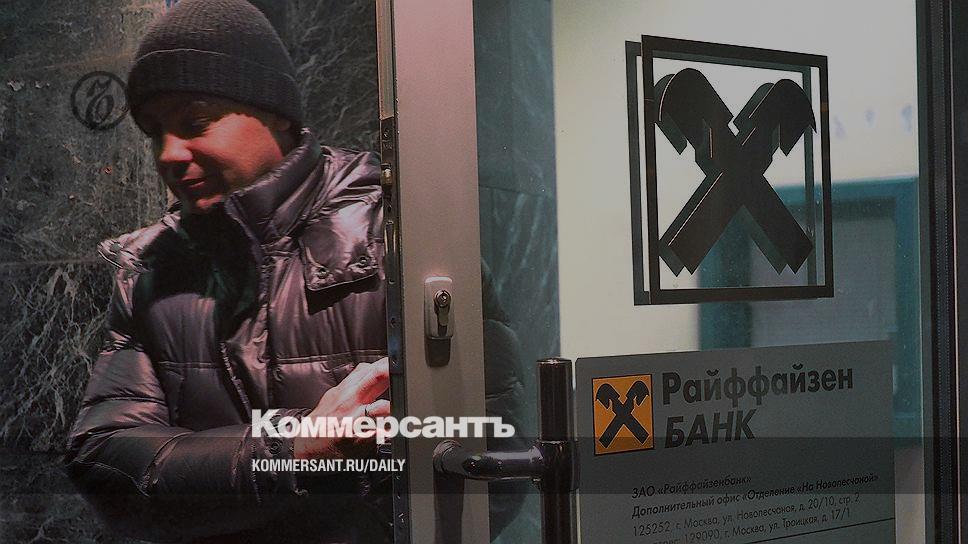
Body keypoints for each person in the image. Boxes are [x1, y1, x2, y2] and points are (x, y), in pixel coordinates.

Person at [64, 1, 393, 541]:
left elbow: (481, 458)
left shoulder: (394, 235)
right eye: (154, 132)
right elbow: (107, 458)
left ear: (277, 114)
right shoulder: (148, 271)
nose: (168, 154)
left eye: (195, 123)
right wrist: (290, 451)